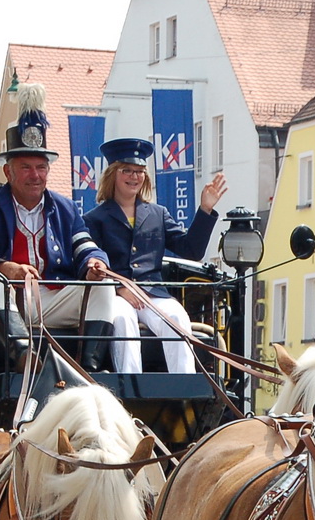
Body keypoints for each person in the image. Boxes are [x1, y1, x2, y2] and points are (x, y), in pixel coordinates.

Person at [0, 84, 127, 372]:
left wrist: (95, 263)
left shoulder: (65, 207)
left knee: (104, 286)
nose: (34, 175)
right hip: (1, 299)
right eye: (25, 167)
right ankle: (24, 356)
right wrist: (7, 267)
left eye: (41, 167)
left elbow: (85, 246)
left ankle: (90, 371)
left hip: (49, 297)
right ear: (7, 171)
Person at [83, 138, 227, 375]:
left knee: (177, 317)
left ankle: (184, 389)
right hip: (116, 294)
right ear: (112, 175)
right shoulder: (94, 219)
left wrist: (205, 210)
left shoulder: (158, 214)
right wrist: (119, 288)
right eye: (126, 170)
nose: (134, 176)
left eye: (139, 171)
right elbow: (93, 263)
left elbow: (191, 250)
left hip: (153, 294)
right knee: (122, 321)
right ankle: (130, 386)